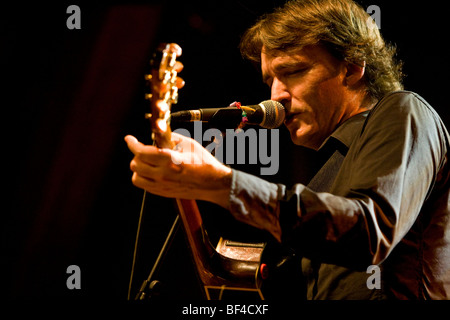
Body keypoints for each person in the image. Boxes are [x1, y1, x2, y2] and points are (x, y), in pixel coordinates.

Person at [125, 0, 450, 299]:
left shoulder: (403, 110)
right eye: (269, 80)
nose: (275, 95)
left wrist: (223, 183)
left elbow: (368, 232)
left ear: (351, 67)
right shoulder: (326, 176)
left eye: (293, 72)